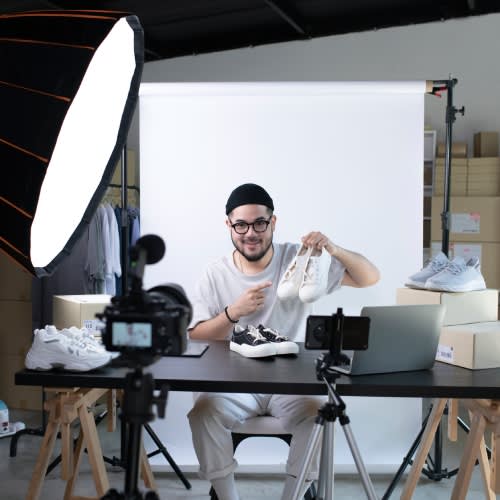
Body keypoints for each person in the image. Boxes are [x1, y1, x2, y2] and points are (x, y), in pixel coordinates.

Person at [187, 183, 380, 500]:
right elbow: (196, 335)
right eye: (241, 225)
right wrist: (233, 313)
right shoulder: (215, 273)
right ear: (229, 226)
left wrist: (334, 249)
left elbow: (369, 277)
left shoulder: (299, 260)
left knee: (320, 413)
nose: (251, 233)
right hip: (234, 385)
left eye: (260, 223)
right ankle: (226, 496)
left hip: (291, 383)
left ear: (273, 222)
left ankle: (293, 495)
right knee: (202, 413)